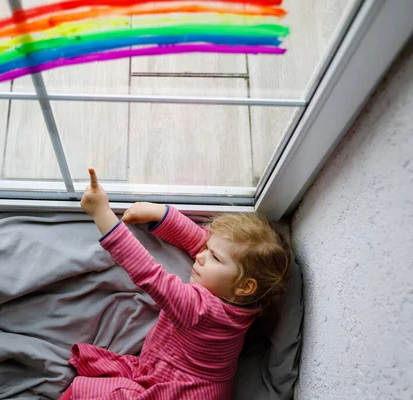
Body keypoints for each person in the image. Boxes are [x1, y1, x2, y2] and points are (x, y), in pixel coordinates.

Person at [60, 168, 291, 400]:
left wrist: (102, 213)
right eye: (207, 249)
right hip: (202, 387)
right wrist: (159, 213)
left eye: (215, 257)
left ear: (245, 286)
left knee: (86, 392)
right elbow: (199, 240)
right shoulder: (245, 300)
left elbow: (148, 273)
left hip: (177, 391)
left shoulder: (198, 309)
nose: (200, 256)